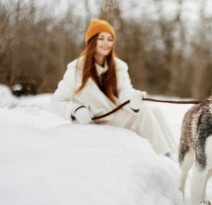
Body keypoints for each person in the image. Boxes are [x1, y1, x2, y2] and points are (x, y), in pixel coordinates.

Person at [51, 19, 176, 156]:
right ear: (92, 41)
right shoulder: (76, 69)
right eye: (101, 38)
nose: (106, 43)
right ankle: (164, 155)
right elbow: (56, 101)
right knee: (145, 111)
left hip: (113, 115)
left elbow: (125, 92)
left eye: (110, 39)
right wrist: (75, 110)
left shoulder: (119, 67)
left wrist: (133, 101)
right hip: (96, 119)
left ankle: (176, 153)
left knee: (155, 109)